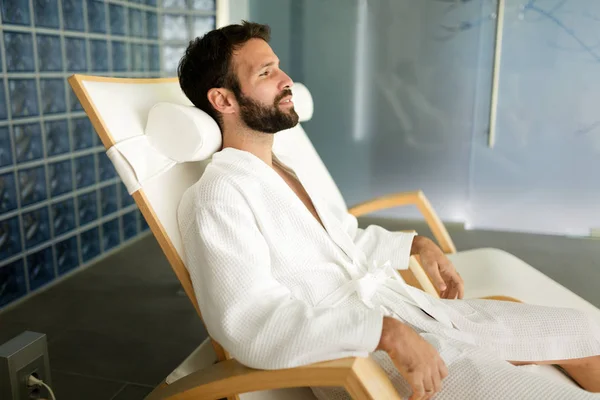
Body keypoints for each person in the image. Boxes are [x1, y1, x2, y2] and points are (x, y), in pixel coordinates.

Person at [176, 21, 600, 400]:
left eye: (279, 66)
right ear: (224, 100)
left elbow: (346, 241)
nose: (287, 80)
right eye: (265, 73)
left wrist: (416, 245)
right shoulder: (217, 197)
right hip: (365, 357)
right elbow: (252, 323)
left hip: (410, 313)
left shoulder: (282, 169)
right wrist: (383, 332)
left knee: (590, 337)